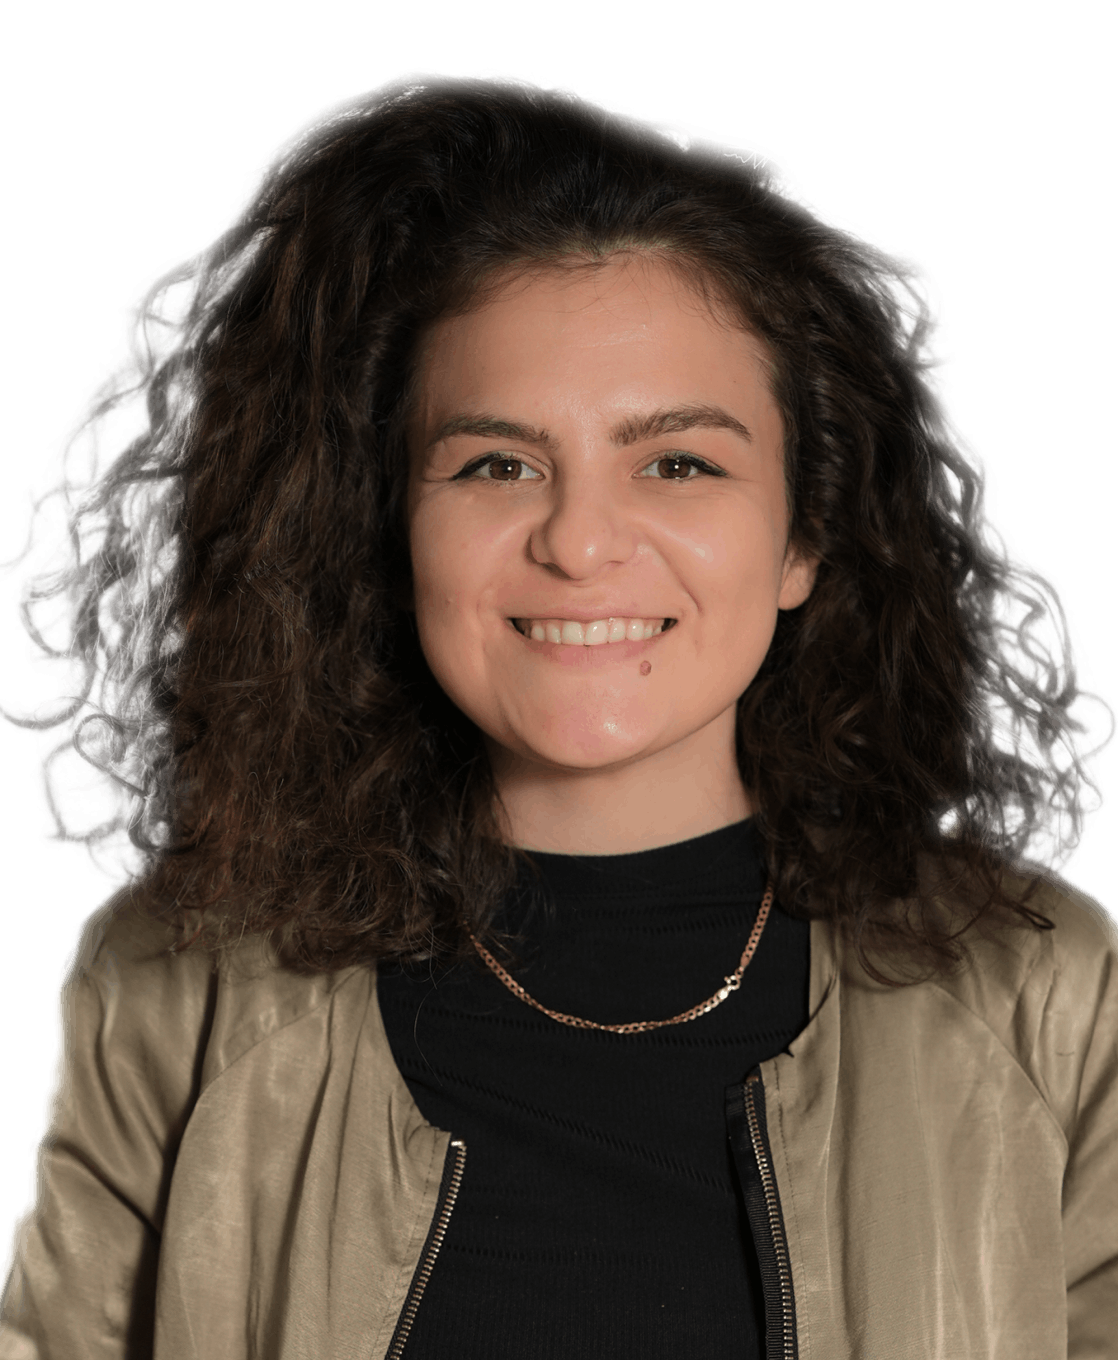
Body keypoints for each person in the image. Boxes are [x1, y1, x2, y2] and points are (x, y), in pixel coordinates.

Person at [0, 68, 1115, 1360]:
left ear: (805, 533)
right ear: (387, 528)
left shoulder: (1048, 1000)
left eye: (678, 463)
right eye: (497, 465)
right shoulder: (171, 987)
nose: (580, 543)